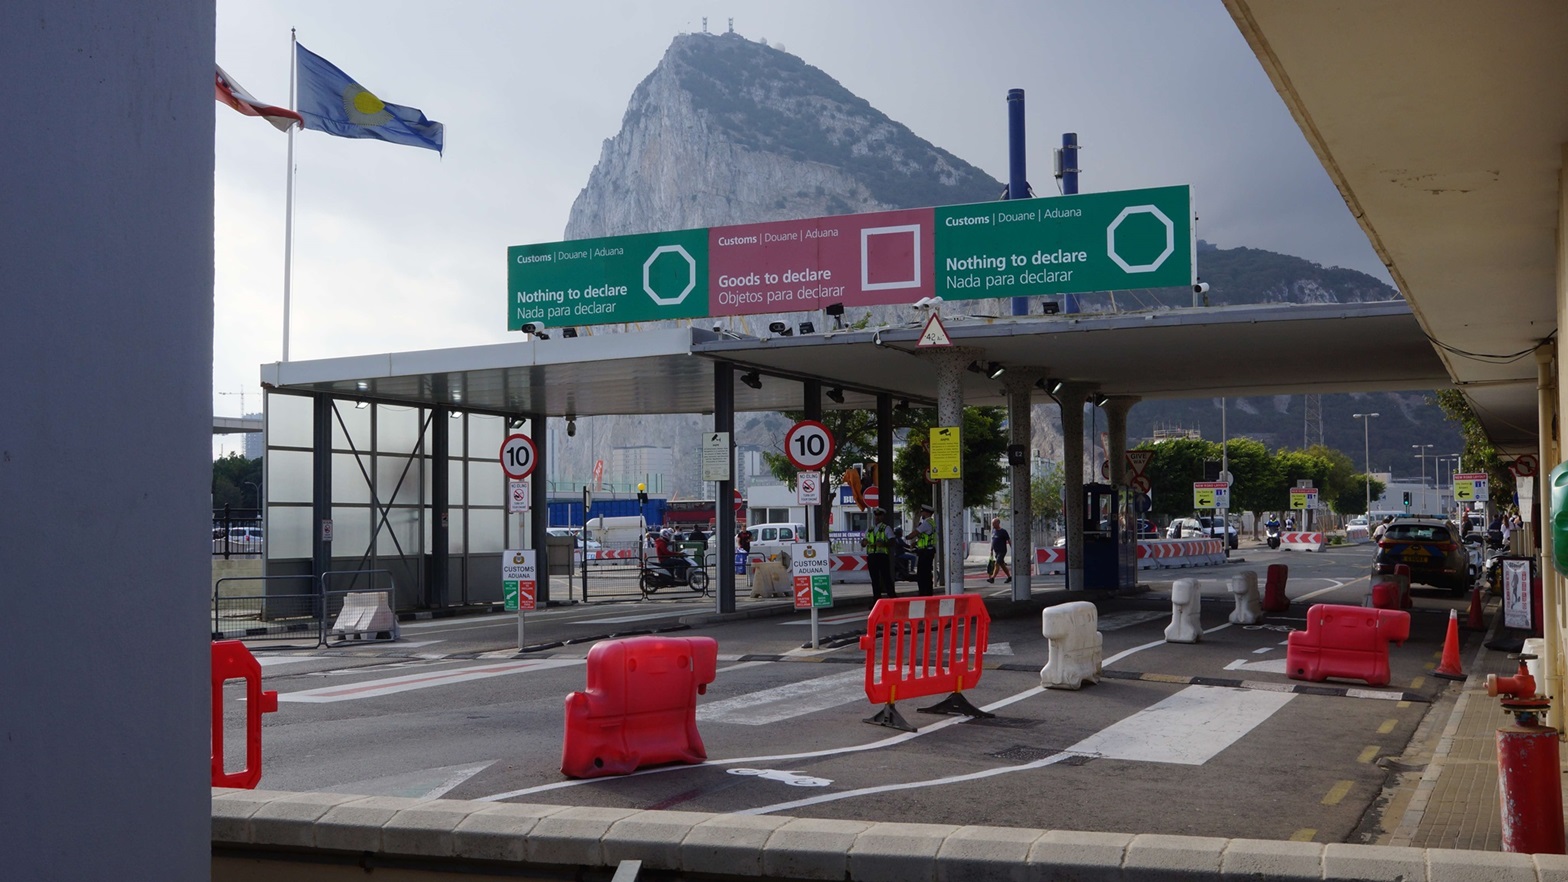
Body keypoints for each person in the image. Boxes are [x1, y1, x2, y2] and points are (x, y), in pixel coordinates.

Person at [861, 508, 895, 599]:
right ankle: (876, 600)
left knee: (886, 578)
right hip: (872, 556)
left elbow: (892, 542)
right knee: (874, 580)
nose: (877, 517)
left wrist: (884, 544)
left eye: (879, 515)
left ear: (883, 516)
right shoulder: (870, 529)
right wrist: (863, 543)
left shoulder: (886, 528)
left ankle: (892, 598)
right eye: (876, 515)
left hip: (882, 556)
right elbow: (863, 542)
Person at [913, 503, 938, 596]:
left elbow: (915, 532)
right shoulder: (931, 522)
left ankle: (924, 593)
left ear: (926, 513)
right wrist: (916, 543)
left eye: (922, 512)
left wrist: (907, 537)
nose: (921, 514)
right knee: (926, 573)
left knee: (922, 574)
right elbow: (924, 538)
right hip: (928, 551)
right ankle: (927, 592)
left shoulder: (926, 523)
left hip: (926, 552)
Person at [986, 516, 1011, 583]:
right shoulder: (993, 531)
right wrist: (991, 549)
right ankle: (1009, 577)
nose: (992, 525)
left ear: (998, 523)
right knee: (1002, 565)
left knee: (997, 563)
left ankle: (993, 578)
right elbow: (993, 540)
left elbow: (1008, 540)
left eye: (994, 523)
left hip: (1002, 551)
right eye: (992, 523)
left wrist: (1012, 548)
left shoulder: (1003, 531)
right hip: (996, 551)